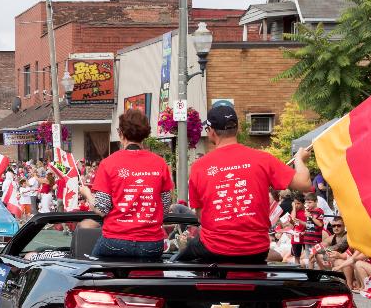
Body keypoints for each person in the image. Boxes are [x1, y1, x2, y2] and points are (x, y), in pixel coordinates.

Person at [179, 104, 313, 263]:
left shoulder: (199, 167)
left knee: (176, 263)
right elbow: (305, 184)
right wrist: (300, 159)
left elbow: (201, 216)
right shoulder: (263, 159)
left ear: (211, 131)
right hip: (257, 250)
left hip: (214, 248)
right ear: (237, 129)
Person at [82, 109, 174, 260]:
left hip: (115, 240)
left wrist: (86, 193)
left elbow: (101, 209)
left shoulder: (108, 163)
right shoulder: (160, 163)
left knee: (92, 272)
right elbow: (164, 208)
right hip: (152, 244)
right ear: (145, 134)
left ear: (121, 133)